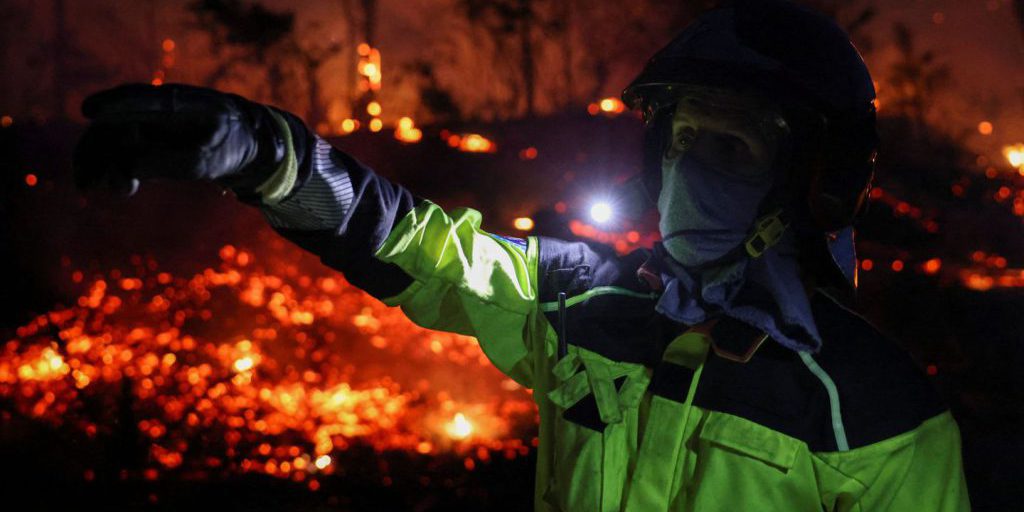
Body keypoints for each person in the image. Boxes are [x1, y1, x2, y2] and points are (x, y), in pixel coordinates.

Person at [73, 0, 970, 509]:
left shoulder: (880, 417)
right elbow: (419, 247)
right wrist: (274, 158)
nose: (692, 170)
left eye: (731, 149)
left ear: (810, 184)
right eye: (683, 139)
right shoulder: (586, 302)